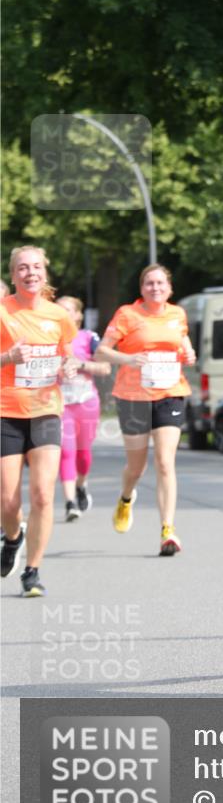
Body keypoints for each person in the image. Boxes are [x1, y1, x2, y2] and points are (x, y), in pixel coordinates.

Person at [95, 264, 196, 556]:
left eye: (160, 283)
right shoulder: (128, 314)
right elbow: (102, 351)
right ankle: (126, 498)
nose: (155, 288)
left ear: (169, 288)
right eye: (149, 283)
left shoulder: (177, 315)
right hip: (133, 397)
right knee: (136, 467)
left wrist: (188, 354)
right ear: (142, 289)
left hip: (170, 393)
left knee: (165, 461)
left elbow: (184, 347)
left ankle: (168, 529)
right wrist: (128, 358)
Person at [0, 246, 77, 596]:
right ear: (13, 274)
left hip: (46, 410)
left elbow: (69, 354)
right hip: (7, 412)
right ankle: (12, 538)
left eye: (35, 267)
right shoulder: (2, 311)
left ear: (44, 272)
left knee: (44, 495)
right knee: (8, 502)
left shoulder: (59, 315)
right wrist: (8, 357)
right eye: (22, 268)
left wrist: (71, 366)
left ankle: (32, 571)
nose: (30, 272)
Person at [56, 296, 111, 522]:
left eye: (68, 310)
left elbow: (105, 368)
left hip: (86, 402)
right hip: (60, 404)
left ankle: (81, 484)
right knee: (66, 452)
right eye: (59, 310)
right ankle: (70, 503)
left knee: (83, 455)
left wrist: (81, 365)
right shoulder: (49, 340)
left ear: (78, 315)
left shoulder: (88, 338)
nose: (63, 314)